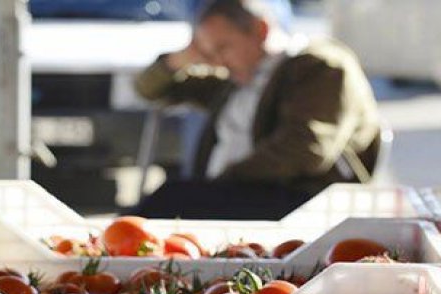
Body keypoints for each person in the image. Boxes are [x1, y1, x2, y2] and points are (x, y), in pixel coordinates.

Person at [134, 0, 381, 219]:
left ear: (261, 30)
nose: (217, 60)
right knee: (165, 202)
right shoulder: (236, 77)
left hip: (297, 200)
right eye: (210, 52)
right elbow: (149, 89)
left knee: (169, 201)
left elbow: (304, 151)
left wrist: (220, 181)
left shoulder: (319, 67)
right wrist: (185, 57)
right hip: (232, 193)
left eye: (223, 48)